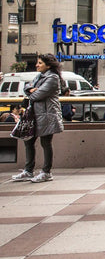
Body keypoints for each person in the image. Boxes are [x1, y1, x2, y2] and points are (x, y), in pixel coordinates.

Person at [11, 53, 65, 183]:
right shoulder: (41, 76)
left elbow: (37, 96)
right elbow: (27, 87)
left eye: (40, 63)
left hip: (47, 115)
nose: (37, 65)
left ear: (48, 65)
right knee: (28, 141)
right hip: (35, 115)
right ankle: (28, 171)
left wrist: (32, 91)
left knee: (45, 143)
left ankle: (46, 172)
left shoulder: (52, 78)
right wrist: (31, 90)